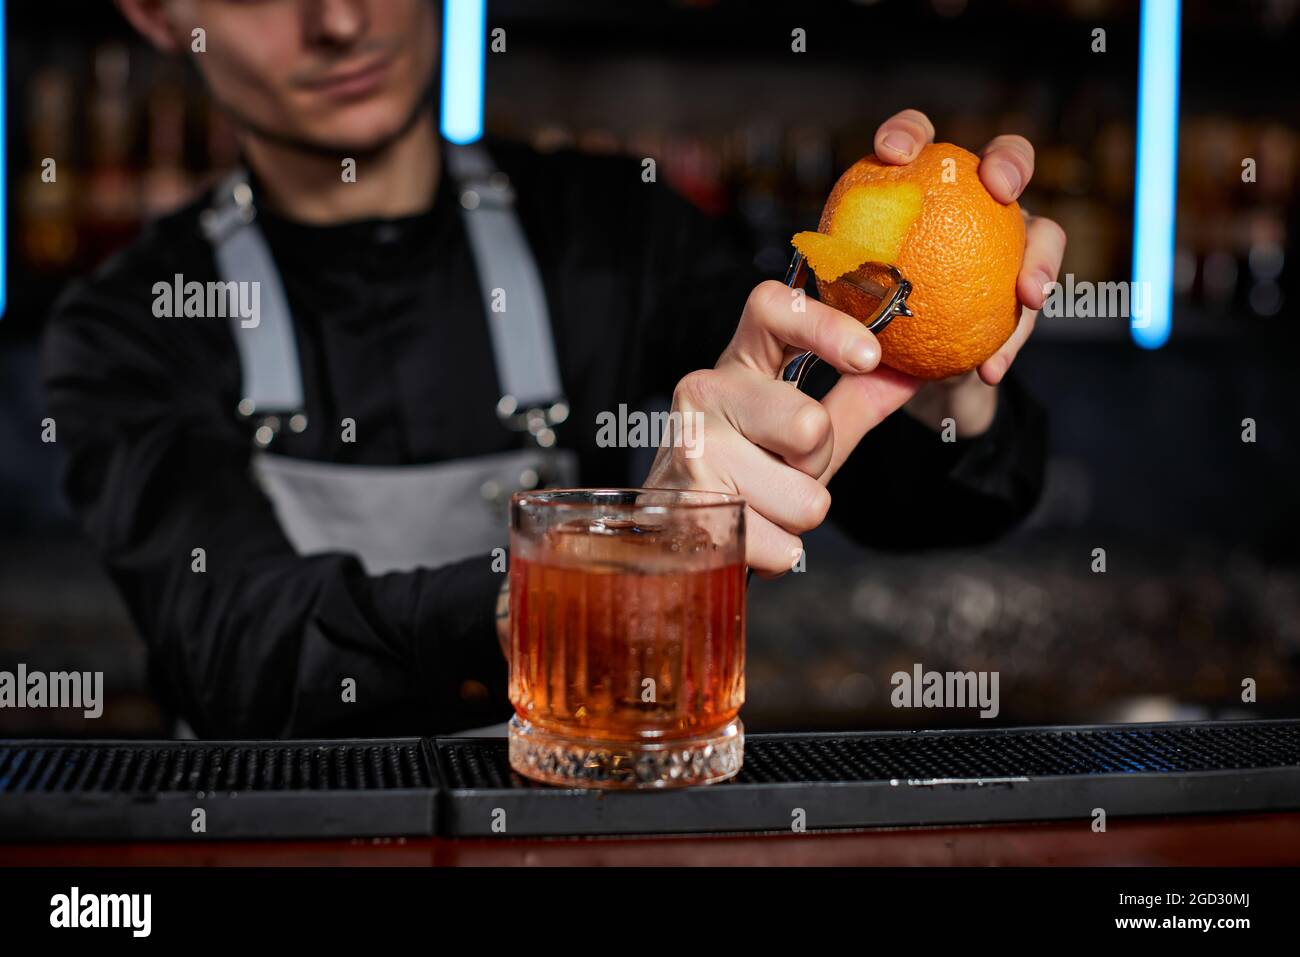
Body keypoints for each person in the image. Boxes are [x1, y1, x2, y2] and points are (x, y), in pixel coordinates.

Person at [42, 0, 1063, 738]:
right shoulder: (126, 324)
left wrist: (936, 379)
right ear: (156, 13)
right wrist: (594, 585)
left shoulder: (621, 236)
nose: (340, 21)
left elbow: (914, 500)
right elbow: (238, 650)